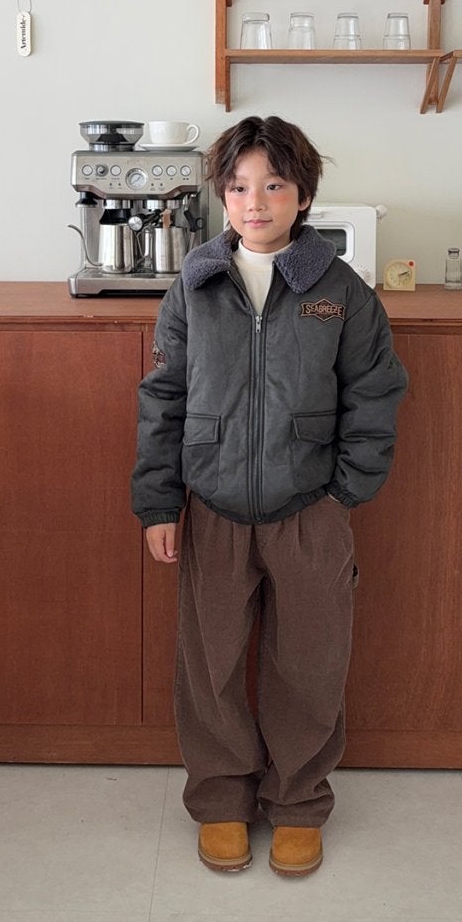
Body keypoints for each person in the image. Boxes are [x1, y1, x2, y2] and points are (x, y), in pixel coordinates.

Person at [131, 116, 408, 877]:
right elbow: (164, 398)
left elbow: (375, 393)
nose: (256, 202)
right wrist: (158, 503)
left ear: (303, 195)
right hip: (212, 505)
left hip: (310, 507)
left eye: (275, 185)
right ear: (223, 197)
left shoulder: (340, 291)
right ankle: (221, 798)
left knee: (309, 665)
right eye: (240, 187)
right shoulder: (194, 286)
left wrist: (345, 492)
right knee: (210, 664)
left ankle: (298, 801)